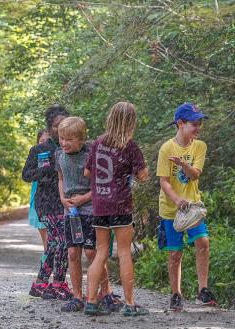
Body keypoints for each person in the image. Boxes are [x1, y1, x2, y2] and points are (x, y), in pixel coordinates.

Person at [84, 102, 150, 316]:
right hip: (121, 204)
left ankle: (91, 302)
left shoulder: (97, 143)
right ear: (131, 122)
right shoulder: (130, 146)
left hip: (100, 204)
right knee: (123, 254)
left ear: (110, 118)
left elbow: (87, 173)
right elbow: (143, 176)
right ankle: (130, 305)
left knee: (101, 252)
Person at [55, 117, 121, 312]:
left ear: (81, 140)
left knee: (92, 252)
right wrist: (62, 198)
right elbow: (60, 178)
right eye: (61, 138)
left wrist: (83, 198)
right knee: (73, 252)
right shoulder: (59, 156)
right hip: (70, 211)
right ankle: (77, 296)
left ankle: (105, 291)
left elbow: (101, 184)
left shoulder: (90, 156)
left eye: (69, 139)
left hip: (91, 209)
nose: (64, 143)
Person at [156, 102, 216, 311]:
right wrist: (176, 200)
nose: (198, 127)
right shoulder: (167, 148)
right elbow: (163, 181)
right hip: (171, 209)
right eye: (194, 123)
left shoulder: (199, 146)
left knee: (203, 242)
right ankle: (175, 293)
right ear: (180, 123)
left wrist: (182, 164)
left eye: (200, 123)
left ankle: (203, 289)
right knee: (175, 253)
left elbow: (195, 174)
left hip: (192, 207)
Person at [22, 105, 72, 301]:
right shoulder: (39, 149)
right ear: (49, 128)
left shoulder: (71, 147)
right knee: (61, 242)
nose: (60, 129)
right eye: (56, 126)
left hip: (68, 202)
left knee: (54, 244)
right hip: (46, 203)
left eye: (64, 125)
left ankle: (41, 284)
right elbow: (26, 175)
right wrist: (44, 171)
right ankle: (58, 283)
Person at [28, 130, 49, 251]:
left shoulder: (58, 155)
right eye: (41, 141)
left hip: (56, 201)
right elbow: (27, 175)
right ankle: (47, 268)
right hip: (39, 200)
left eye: (47, 141)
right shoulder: (34, 156)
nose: (44, 145)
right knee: (47, 243)